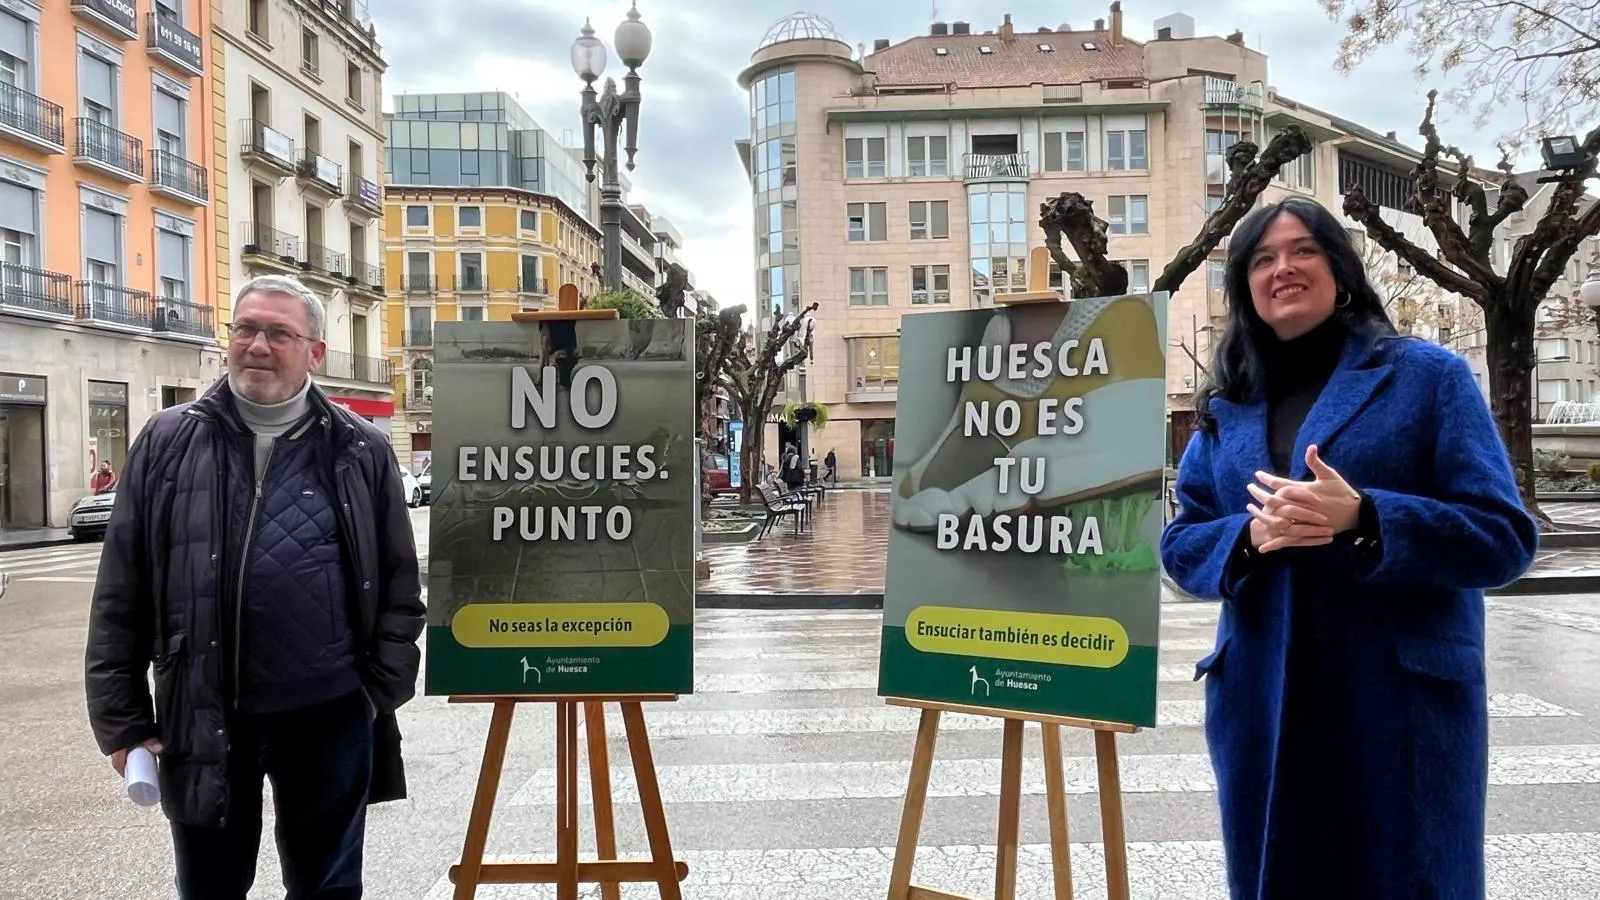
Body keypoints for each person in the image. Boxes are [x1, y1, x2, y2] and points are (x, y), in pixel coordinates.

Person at [1159, 197, 1537, 900]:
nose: (1283, 270)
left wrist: (1367, 517)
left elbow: (1504, 538)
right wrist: (1248, 537)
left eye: (1302, 250)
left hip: (1397, 706)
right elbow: (1181, 545)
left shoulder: (1428, 377)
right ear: (1244, 285)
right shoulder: (1226, 404)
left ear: (1339, 267)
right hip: (1264, 709)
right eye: (1262, 260)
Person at [84, 274, 425, 899]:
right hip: (205, 710)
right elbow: (121, 589)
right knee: (212, 886)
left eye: (278, 333)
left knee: (327, 887)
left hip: (330, 715)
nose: (257, 345)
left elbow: (401, 588)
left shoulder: (361, 448)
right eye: (245, 328)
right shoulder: (167, 440)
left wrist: (376, 694)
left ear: (314, 352)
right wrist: (123, 722)